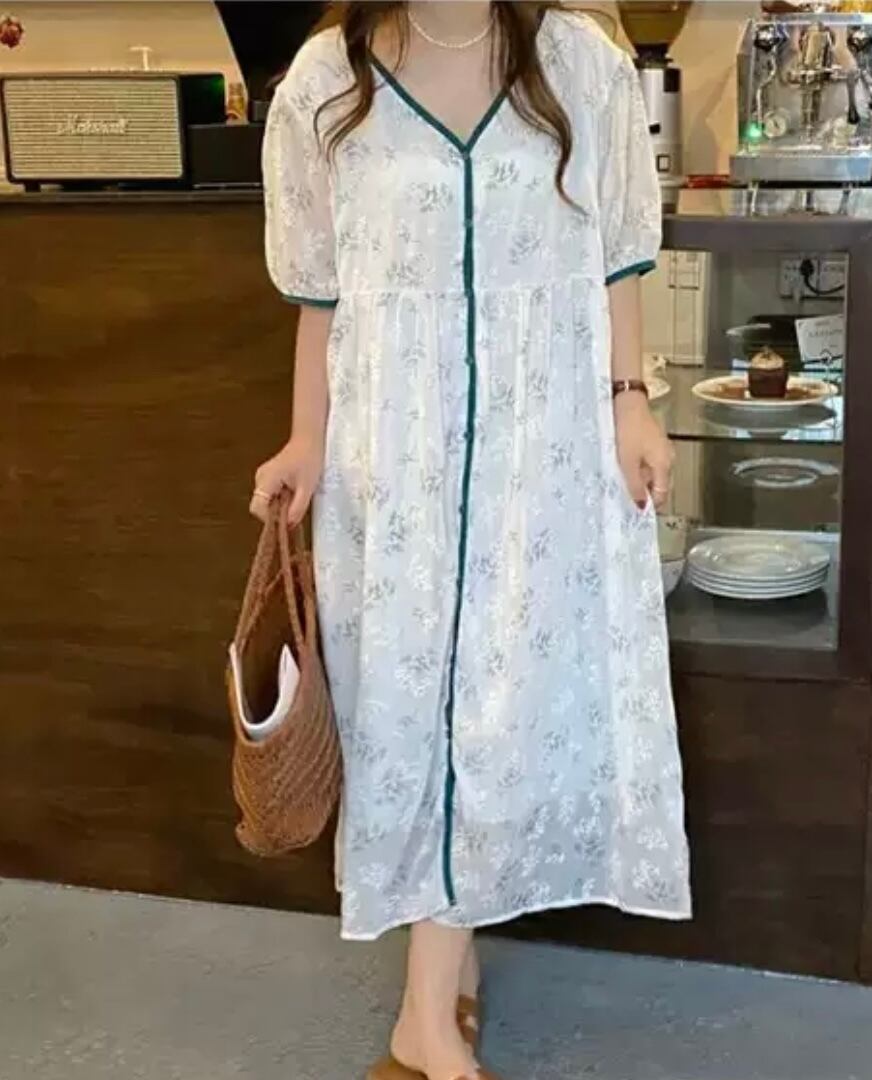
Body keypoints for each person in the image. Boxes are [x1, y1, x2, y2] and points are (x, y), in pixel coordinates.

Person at [251, 3, 691, 1078]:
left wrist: (631, 402)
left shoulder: (579, 61)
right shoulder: (324, 80)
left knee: (500, 713)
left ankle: (433, 1003)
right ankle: (430, 1017)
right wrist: (306, 438)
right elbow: (320, 295)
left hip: (543, 452)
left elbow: (619, 259)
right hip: (392, 455)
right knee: (412, 714)